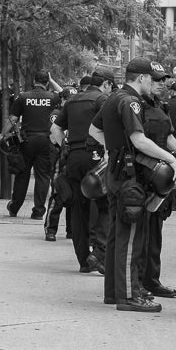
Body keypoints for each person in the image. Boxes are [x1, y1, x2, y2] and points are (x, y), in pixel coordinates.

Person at [89, 58, 176, 312]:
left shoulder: (113, 98)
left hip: (116, 174)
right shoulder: (131, 101)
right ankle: (129, 296)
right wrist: (170, 158)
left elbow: (93, 131)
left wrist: (114, 151)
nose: (154, 83)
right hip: (129, 177)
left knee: (116, 236)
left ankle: (114, 292)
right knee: (130, 238)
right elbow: (139, 140)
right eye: (152, 78)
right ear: (141, 78)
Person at [51, 70, 114, 273]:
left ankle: (84, 261)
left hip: (74, 157)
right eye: (111, 85)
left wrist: (65, 146)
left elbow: (55, 129)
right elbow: (108, 128)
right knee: (105, 204)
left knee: (78, 208)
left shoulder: (72, 100)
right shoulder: (102, 99)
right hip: (96, 156)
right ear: (105, 84)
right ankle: (99, 252)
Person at [139, 64, 176, 299]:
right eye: (157, 80)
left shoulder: (161, 106)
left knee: (155, 229)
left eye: (163, 81)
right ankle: (136, 281)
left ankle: (151, 280)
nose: (161, 84)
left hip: (161, 175)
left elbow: (167, 135)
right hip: (141, 172)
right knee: (139, 229)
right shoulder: (135, 105)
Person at [2, 70, 61, 219]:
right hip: (45, 141)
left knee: (23, 175)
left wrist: (2, 135)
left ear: (34, 81)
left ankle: (14, 207)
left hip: (27, 141)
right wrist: (52, 80)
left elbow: (13, 119)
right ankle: (38, 211)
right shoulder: (52, 97)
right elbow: (65, 93)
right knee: (43, 177)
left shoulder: (23, 97)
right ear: (46, 82)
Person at [44, 86, 77, 241]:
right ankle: (50, 229)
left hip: (72, 159)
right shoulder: (57, 114)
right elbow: (54, 134)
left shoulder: (75, 113)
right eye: (69, 99)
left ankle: (71, 230)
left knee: (73, 196)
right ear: (63, 99)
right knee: (57, 194)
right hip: (60, 158)